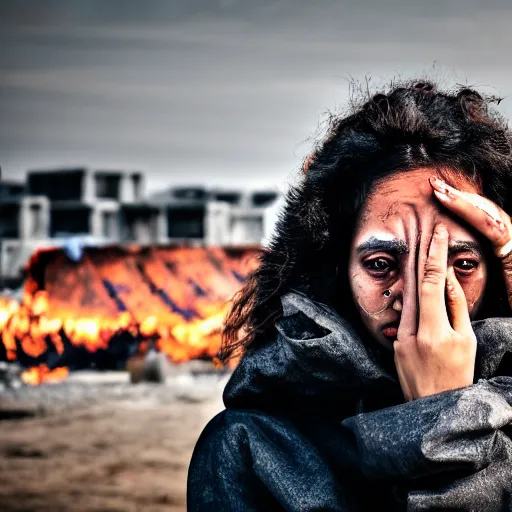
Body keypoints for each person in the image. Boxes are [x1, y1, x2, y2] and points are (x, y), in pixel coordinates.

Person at [187, 80, 512, 511]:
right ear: (336, 267)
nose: (417, 295)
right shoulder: (252, 450)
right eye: (381, 263)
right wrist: (443, 423)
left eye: (463, 264)